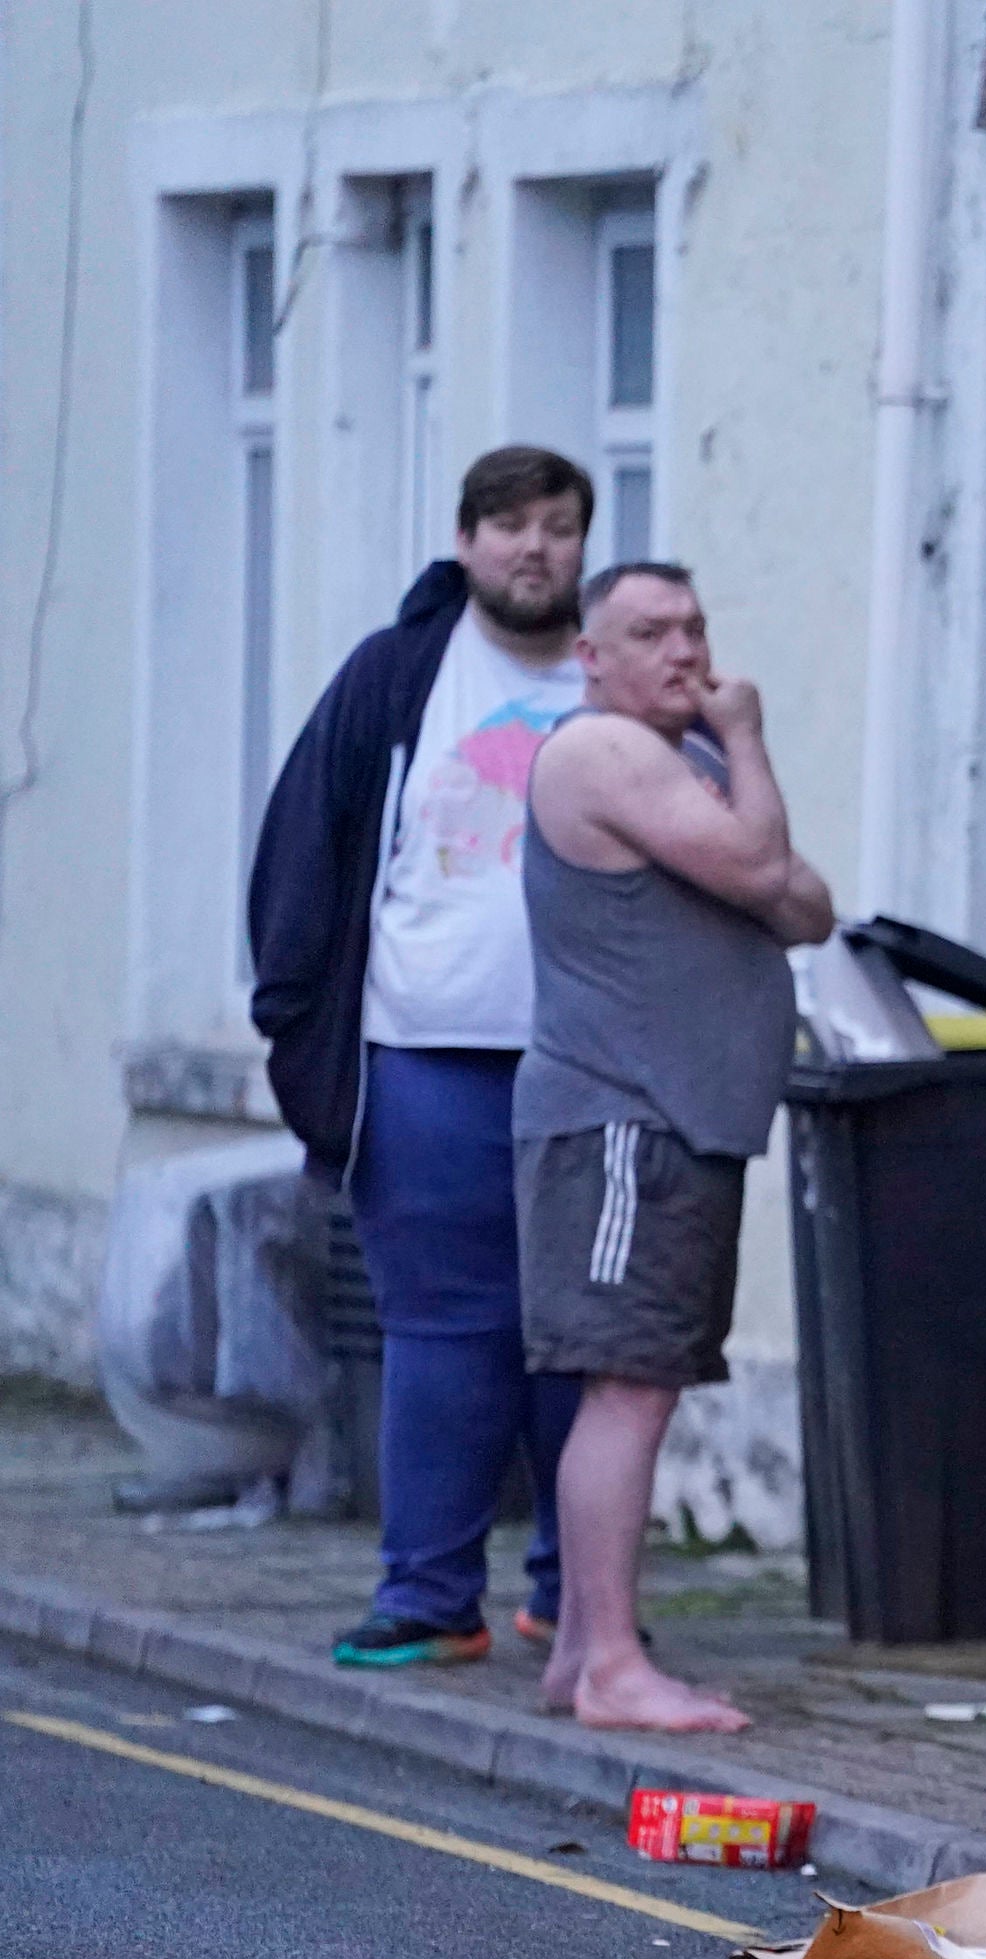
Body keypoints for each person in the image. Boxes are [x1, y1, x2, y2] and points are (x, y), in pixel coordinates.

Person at [247, 447, 600, 1670]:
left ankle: (579, 1598)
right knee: (444, 1335)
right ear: (464, 542)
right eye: (508, 525)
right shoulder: (398, 675)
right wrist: (294, 1024)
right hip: (423, 1058)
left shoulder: (618, 683)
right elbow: (302, 852)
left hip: (592, 1070)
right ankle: (429, 1592)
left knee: (585, 1338)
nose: (533, 548)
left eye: (558, 526)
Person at [513, 563, 832, 1732]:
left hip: (673, 1121)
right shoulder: (605, 751)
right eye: (648, 632)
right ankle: (607, 1663)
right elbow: (761, 869)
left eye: (694, 626)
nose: (683, 651)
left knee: (639, 1380)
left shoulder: (681, 759)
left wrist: (735, 771)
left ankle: (586, 1657)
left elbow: (810, 904)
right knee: (630, 1385)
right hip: (623, 1118)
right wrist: (745, 736)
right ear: (590, 655)